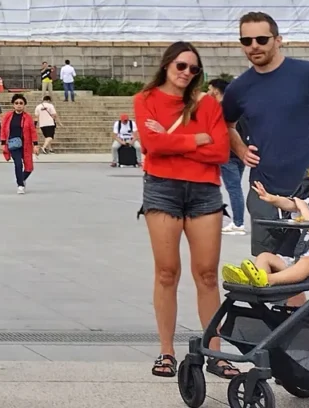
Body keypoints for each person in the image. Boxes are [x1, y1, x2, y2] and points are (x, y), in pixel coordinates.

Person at [133, 41, 236, 381]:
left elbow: (221, 150)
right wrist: (198, 138)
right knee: (167, 272)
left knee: (207, 274)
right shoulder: (145, 100)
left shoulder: (205, 102)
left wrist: (179, 143)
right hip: (163, 190)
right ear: (167, 65)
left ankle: (215, 353)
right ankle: (166, 350)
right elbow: (151, 145)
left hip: (204, 191)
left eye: (193, 69)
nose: (186, 73)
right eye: (181, 66)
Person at [221, 11, 309, 257]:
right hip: (265, 189)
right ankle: (288, 298)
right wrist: (241, 150)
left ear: (278, 40)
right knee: (270, 261)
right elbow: (225, 124)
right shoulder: (238, 88)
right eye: (247, 41)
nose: (254, 46)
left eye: (262, 39)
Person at [222, 167, 309, 288]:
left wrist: (304, 209)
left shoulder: (307, 208)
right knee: (264, 256)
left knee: (307, 263)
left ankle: (268, 279)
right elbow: (290, 204)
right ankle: (254, 281)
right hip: (301, 259)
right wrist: (272, 198)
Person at [207, 79, 246, 235]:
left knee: (234, 189)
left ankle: (238, 223)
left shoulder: (220, 109)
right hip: (239, 153)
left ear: (216, 91)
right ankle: (238, 221)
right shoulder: (236, 107)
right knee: (235, 188)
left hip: (228, 154)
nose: (208, 92)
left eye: (209, 89)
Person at [0, 94, 38, 194]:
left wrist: (36, 144)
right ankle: (20, 185)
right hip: (13, 144)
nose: (19, 105)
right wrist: (3, 143)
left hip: (26, 145)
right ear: (13, 105)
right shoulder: (8, 116)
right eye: (16, 103)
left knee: (29, 167)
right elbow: (3, 129)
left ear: (24, 105)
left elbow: (33, 131)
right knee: (18, 164)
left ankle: (22, 179)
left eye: (21, 103)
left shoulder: (28, 117)